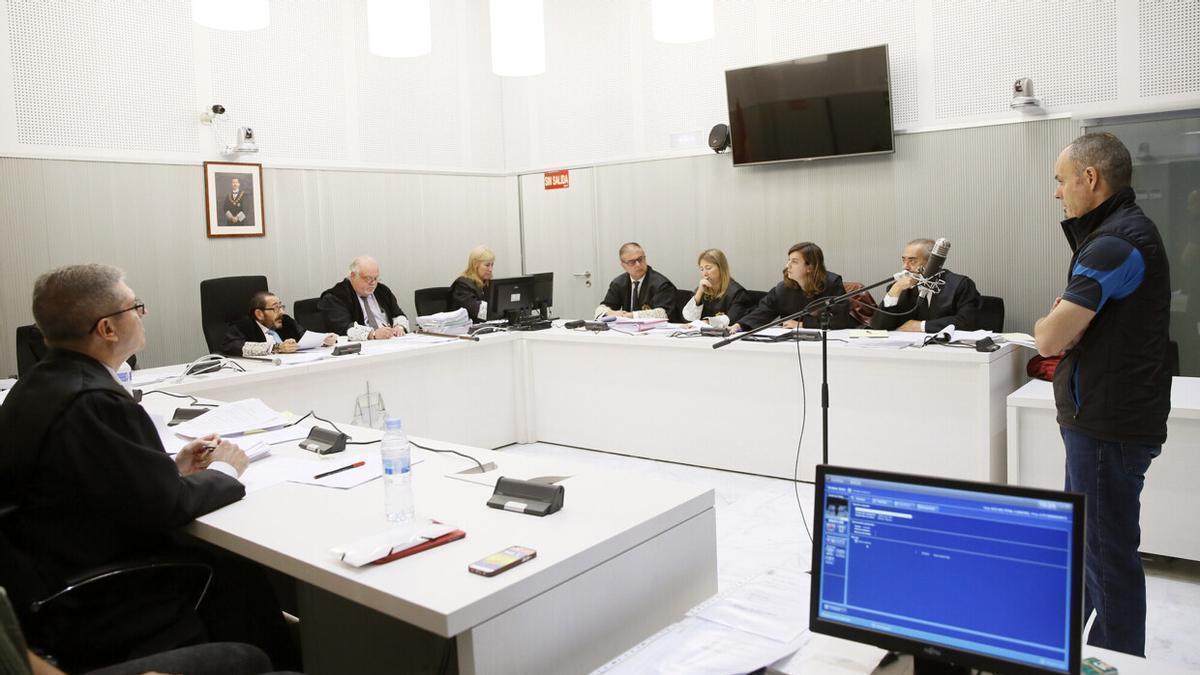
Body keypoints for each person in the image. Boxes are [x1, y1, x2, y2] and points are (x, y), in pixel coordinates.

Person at [0, 264, 296, 669]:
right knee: (240, 576)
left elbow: (92, 479)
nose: (143, 314)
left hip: (48, 577)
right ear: (107, 329)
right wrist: (224, 471)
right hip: (95, 598)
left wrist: (170, 467)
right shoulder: (94, 400)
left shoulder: (37, 384)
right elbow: (164, 508)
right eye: (135, 306)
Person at [1034, 132, 1172, 657]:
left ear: (1090, 178)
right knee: (1093, 547)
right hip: (1103, 417)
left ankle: (1115, 662)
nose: (1057, 193)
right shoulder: (1117, 235)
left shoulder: (1116, 243)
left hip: (1107, 424)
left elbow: (1049, 335)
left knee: (1107, 555)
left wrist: (1053, 319)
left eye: (1060, 180)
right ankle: (1091, 649)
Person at [731, 242, 853, 332]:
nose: (787, 265)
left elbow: (841, 320)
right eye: (788, 260)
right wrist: (740, 325)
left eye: (794, 262)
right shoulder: (783, 289)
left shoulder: (832, 284)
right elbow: (763, 312)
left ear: (810, 267)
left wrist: (801, 324)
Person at [869, 238, 982, 332]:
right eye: (904, 260)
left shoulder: (961, 285)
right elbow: (879, 327)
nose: (905, 267)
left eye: (912, 261)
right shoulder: (900, 287)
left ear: (932, 262)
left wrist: (922, 326)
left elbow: (968, 322)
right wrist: (895, 290)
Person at [318, 256, 410, 340]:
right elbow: (343, 328)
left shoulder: (382, 291)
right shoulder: (335, 297)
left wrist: (399, 327)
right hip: (361, 348)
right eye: (368, 278)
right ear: (353, 276)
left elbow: (398, 314)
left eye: (376, 278)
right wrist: (373, 334)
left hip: (391, 341)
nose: (373, 283)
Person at [221, 291, 335, 357]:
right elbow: (232, 346)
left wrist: (323, 340)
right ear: (259, 314)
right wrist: (277, 347)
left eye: (281, 307)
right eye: (276, 308)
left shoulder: (286, 321)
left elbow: (304, 336)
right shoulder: (243, 326)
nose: (281, 312)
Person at [595, 242, 678, 319]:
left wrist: (632, 315)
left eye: (640, 259)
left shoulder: (661, 284)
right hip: (629, 330)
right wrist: (610, 312)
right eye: (632, 262)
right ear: (623, 265)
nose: (638, 265)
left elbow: (663, 313)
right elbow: (602, 308)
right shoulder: (618, 283)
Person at [680, 248, 753, 326]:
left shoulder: (737, 293)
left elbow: (732, 319)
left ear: (721, 268)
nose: (705, 273)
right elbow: (688, 318)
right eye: (701, 269)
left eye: (708, 268)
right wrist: (699, 292)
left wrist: (705, 322)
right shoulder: (701, 290)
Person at [447, 245, 495, 323]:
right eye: (487, 265)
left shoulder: (486, 283)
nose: (490, 269)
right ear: (475, 265)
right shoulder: (462, 286)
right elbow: (478, 313)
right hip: (464, 330)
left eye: (492, 265)